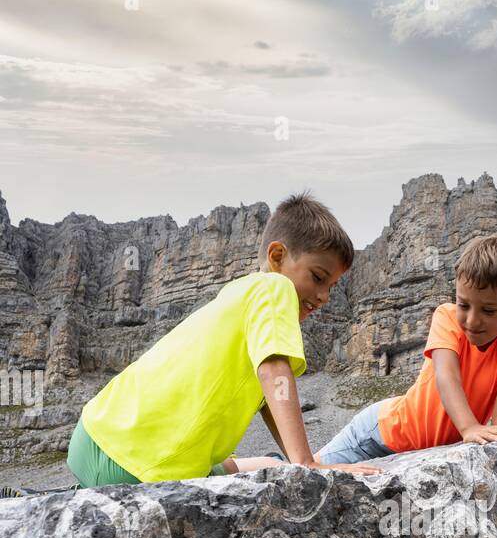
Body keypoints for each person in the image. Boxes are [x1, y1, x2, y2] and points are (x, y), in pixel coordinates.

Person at [65, 192, 380, 488]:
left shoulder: (236, 293)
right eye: (318, 277)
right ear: (278, 256)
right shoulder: (275, 289)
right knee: (264, 470)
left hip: (98, 436)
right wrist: (307, 463)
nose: (324, 296)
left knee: (266, 465)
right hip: (131, 459)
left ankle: (69, 491)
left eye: (333, 287)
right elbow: (273, 371)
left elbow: (268, 400)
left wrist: (298, 462)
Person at [315, 233, 497, 468]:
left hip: (418, 452)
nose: (472, 320)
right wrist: (469, 428)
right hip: (377, 435)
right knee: (306, 471)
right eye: (464, 304)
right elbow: (447, 377)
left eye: (489, 310)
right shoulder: (447, 315)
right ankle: (275, 461)